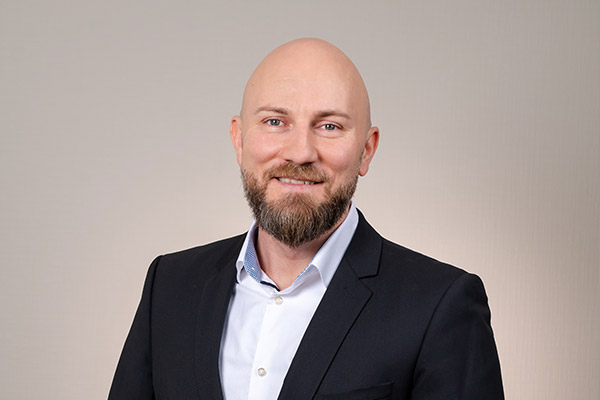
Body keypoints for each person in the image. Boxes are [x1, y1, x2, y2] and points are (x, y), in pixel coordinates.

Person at [109, 38, 504, 400]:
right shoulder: (169, 286)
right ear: (239, 139)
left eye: (329, 126)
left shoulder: (440, 305)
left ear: (366, 151)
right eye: (275, 122)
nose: (300, 153)